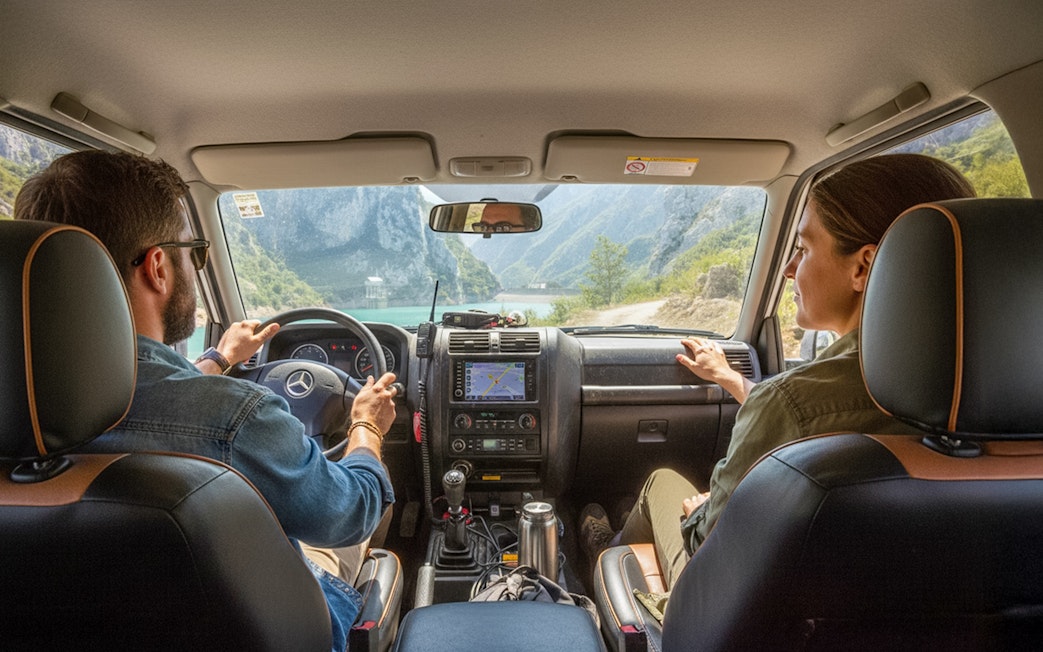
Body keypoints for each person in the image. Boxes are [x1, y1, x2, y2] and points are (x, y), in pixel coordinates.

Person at [15, 150, 397, 651]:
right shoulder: (235, 417)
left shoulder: (26, 414)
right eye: (192, 252)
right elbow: (349, 512)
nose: (194, 265)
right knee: (348, 547)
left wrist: (218, 358)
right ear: (157, 267)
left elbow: (142, 405)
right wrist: (365, 429)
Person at [580, 153, 977, 590]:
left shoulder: (791, 403)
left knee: (662, 485)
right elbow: (815, 413)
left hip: (742, 609)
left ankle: (605, 558)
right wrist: (732, 380)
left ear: (863, 267)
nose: (789, 270)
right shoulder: (995, 397)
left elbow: (711, 544)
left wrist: (701, 510)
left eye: (804, 250)